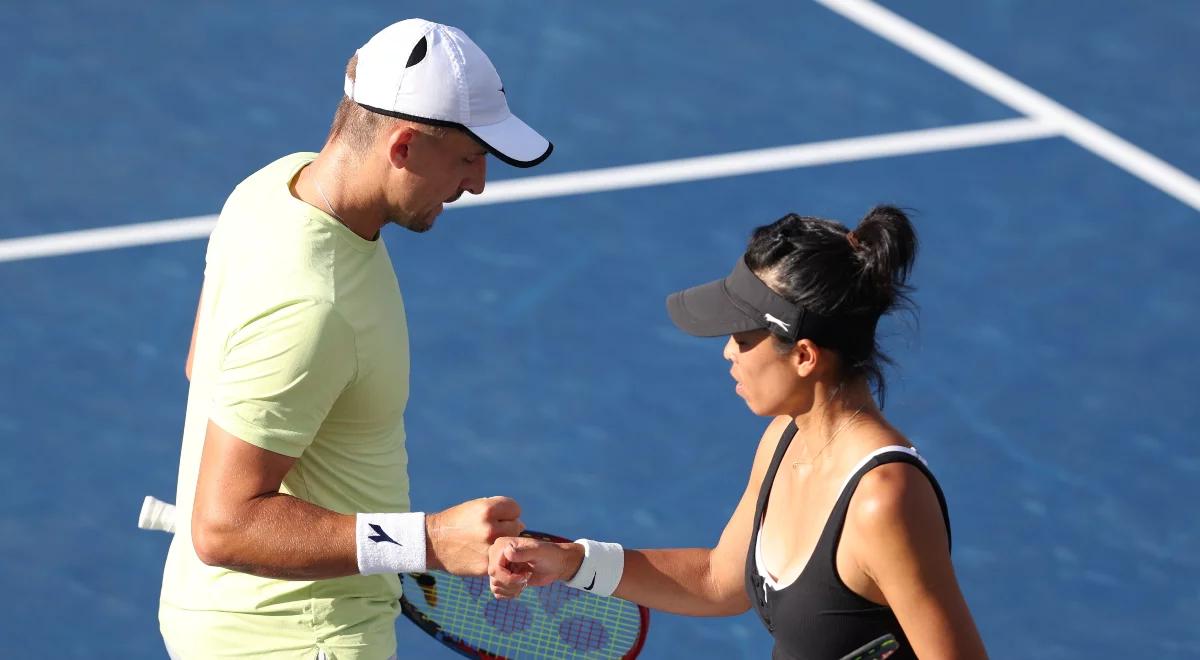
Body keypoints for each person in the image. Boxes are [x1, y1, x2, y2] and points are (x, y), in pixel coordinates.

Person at [158, 18, 554, 660]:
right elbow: (223, 525)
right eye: (466, 157)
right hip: (296, 639)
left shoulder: (269, 188)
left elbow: (206, 364)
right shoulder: (314, 306)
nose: (478, 182)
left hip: (224, 616)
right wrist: (425, 541)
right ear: (403, 146)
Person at [488, 207, 988, 658]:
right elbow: (718, 580)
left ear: (805, 356)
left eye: (744, 339)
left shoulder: (884, 501)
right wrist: (571, 561)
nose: (728, 352)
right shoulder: (784, 439)